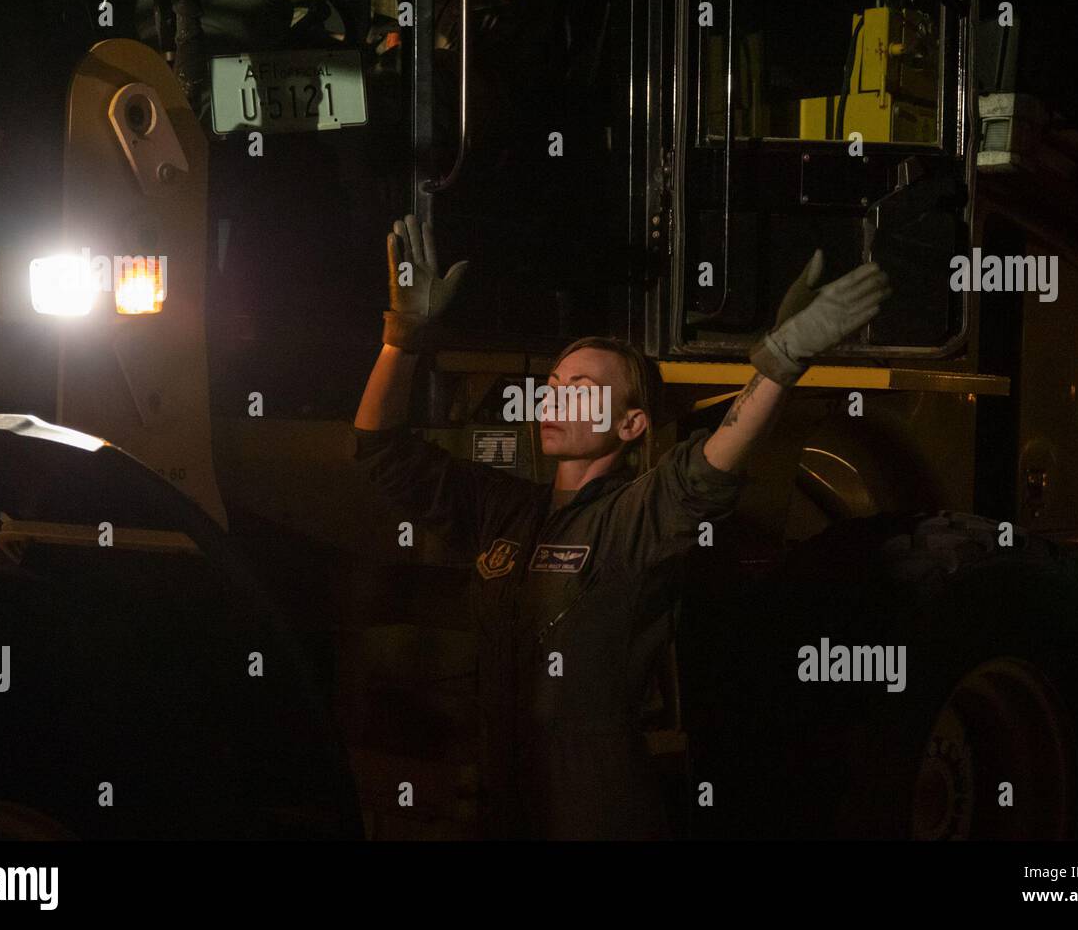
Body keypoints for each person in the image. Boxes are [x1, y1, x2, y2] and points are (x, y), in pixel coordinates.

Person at [352, 214, 891, 839]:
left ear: (631, 424)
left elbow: (710, 466)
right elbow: (380, 450)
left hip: (599, 811)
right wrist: (402, 339)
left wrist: (779, 364)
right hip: (507, 808)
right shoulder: (503, 510)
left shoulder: (636, 515)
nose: (555, 399)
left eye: (581, 390)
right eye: (552, 386)